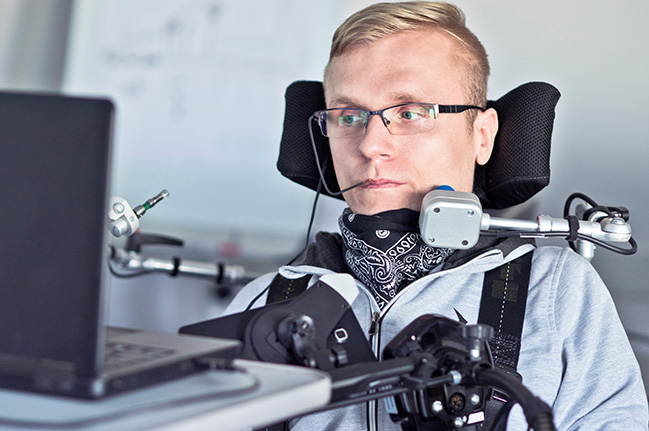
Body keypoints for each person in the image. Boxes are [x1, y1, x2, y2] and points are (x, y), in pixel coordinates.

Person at [224, 2, 648, 430]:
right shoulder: (264, 303)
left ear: (482, 136)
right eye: (349, 116)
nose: (370, 146)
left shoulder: (558, 291)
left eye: (410, 113)